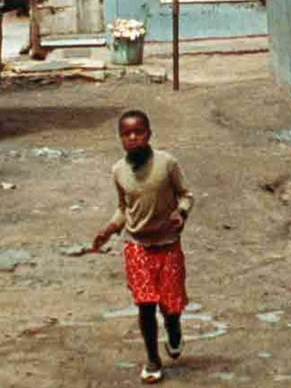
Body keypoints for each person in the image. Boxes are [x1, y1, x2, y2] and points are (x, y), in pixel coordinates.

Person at [92, 109, 194, 384]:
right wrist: (109, 229)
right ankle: (152, 358)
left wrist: (180, 213)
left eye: (139, 132)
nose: (133, 137)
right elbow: (124, 209)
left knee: (170, 306)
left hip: (168, 244)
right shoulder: (118, 171)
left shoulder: (167, 164)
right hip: (137, 245)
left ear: (149, 134)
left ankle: (173, 330)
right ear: (120, 139)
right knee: (145, 305)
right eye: (127, 134)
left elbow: (186, 195)